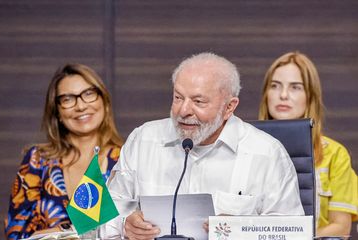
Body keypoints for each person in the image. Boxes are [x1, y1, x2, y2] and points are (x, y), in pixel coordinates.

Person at [108, 52, 304, 240]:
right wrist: (124, 224)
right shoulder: (143, 140)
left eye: (198, 101)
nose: (183, 111)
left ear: (229, 107)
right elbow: (98, 216)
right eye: (178, 98)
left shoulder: (266, 153)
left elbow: (294, 233)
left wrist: (244, 231)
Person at [4, 63, 123, 240]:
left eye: (89, 94)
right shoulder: (37, 160)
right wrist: (69, 231)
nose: (81, 106)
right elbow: (16, 234)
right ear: (57, 112)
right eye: (68, 99)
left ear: (103, 101)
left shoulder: (127, 158)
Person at [258, 51, 358, 237]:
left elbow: (341, 228)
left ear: (310, 96)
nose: (283, 95)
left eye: (295, 87)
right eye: (275, 86)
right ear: (266, 95)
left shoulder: (335, 155)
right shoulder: (245, 148)